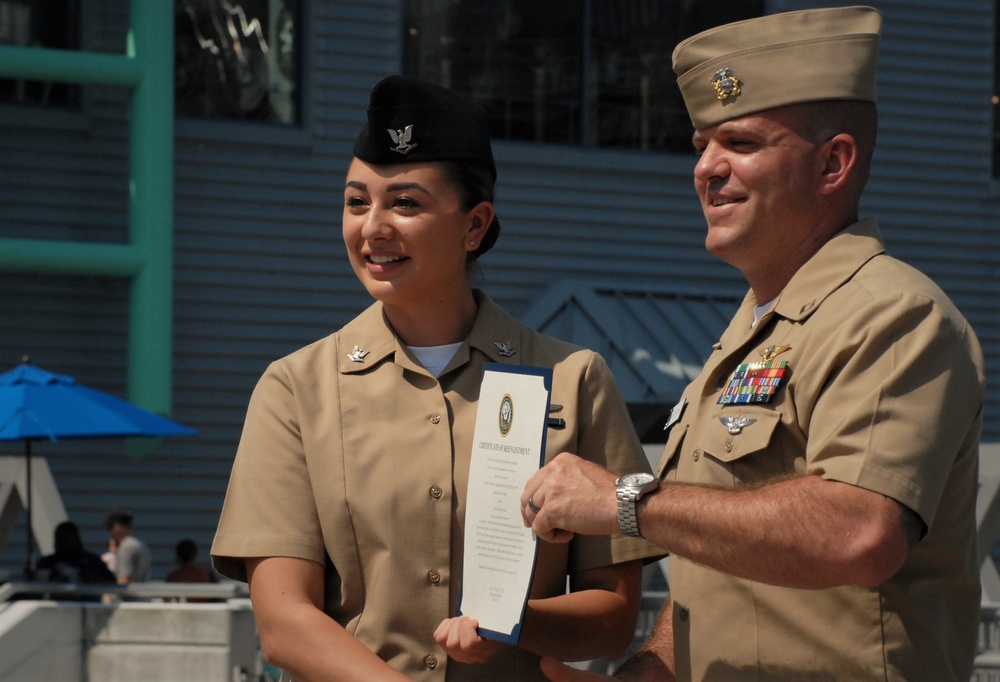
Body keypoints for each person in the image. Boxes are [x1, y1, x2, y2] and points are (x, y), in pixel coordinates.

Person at [521, 6, 985, 682]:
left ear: (833, 163)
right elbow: (720, 576)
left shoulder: (893, 315)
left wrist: (627, 502)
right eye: (701, 145)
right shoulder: (753, 331)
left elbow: (859, 531)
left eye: (739, 143)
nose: (706, 169)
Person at [211, 75, 662, 681]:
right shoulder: (296, 389)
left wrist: (510, 620)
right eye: (355, 201)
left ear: (475, 226)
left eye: (405, 203)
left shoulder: (573, 380)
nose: (372, 227)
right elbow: (284, 621)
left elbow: (614, 618)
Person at [37, 520, 116, 584]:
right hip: (56, 600)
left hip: (87, 601)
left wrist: (90, 577)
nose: (64, 542)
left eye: (67, 538)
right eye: (61, 538)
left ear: (76, 539)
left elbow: (111, 581)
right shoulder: (46, 562)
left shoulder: (91, 561)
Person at [105, 508, 152, 584]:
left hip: (127, 595)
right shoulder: (141, 544)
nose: (109, 533)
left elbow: (124, 580)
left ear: (117, 526)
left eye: (109, 527)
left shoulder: (126, 548)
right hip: (141, 593)